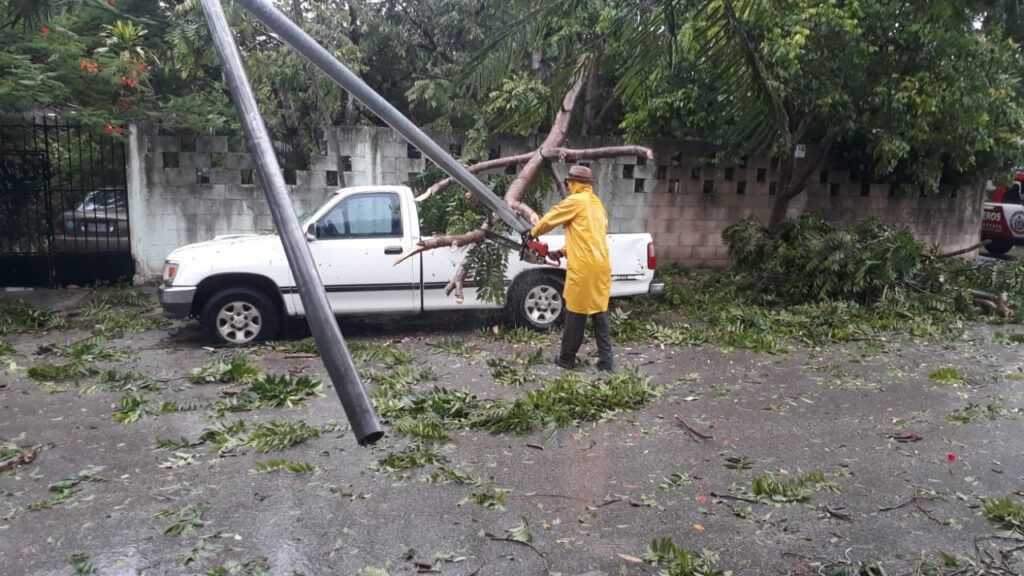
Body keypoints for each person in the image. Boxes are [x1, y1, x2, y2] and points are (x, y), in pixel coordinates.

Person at [528, 164, 613, 371]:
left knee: (576, 313)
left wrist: (532, 233)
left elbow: (549, 220)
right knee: (599, 312)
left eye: (568, 183)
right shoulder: (596, 204)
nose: (567, 187)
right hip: (601, 265)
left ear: (574, 183)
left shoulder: (575, 201)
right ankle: (606, 361)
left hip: (583, 268)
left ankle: (566, 360)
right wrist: (563, 251)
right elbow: (589, 237)